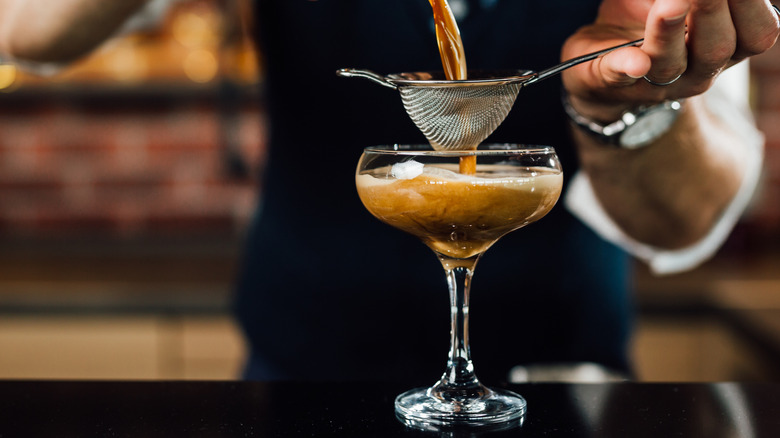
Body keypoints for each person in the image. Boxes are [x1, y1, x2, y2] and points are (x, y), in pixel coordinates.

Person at [1, 0, 777, 383]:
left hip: (559, 382)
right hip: (300, 380)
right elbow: (27, 30)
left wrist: (627, 107)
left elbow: (688, 221)